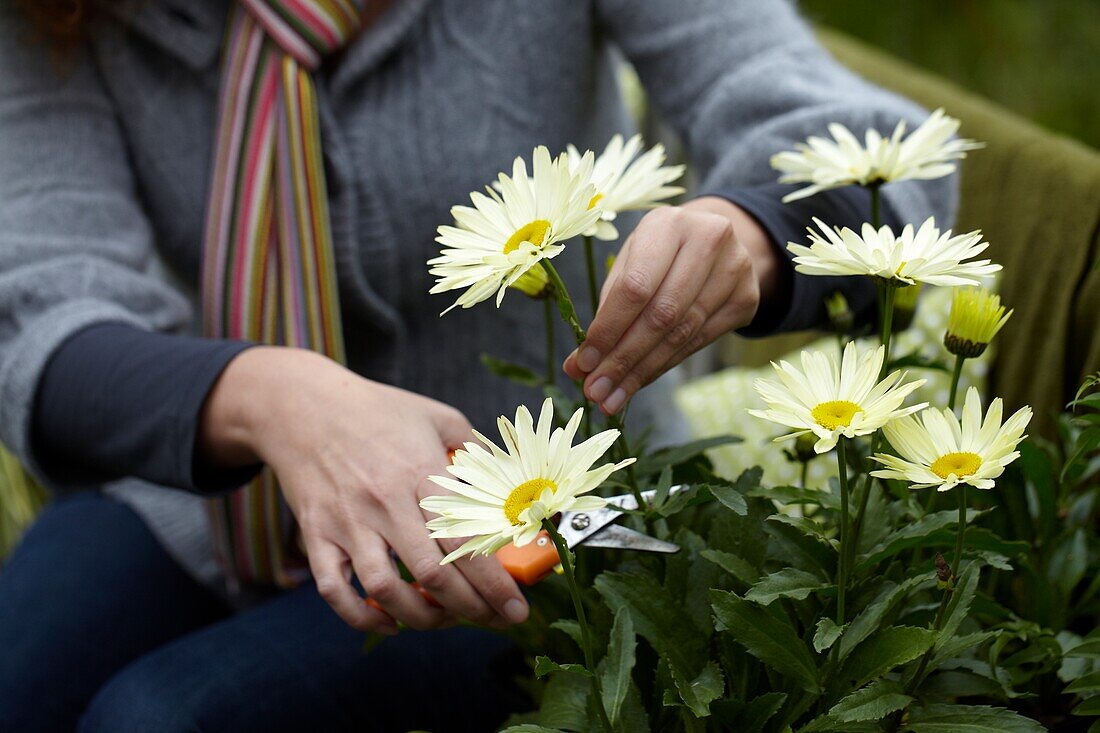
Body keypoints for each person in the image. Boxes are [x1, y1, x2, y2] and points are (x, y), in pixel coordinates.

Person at [0, 0, 955, 730]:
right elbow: (42, 309)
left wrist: (753, 235)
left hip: (552, 503)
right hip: (206, 494)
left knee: (162, 716)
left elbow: (877, 155)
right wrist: (279, 398)